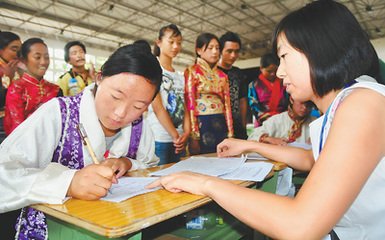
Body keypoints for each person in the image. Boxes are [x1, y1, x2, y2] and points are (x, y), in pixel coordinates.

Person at [148, 1, 385, 239]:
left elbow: (299, 226)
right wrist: (251, 145)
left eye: (284, 56)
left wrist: (206, 184)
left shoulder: (362, 103)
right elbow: (311, 158)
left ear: (318, 50)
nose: (280, 72)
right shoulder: (350, 101)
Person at [0, 43, 162, 239]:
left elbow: (150, 165)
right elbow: (5, 173)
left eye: (138, 106)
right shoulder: (58, 113)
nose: (121, 114)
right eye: (116, 96)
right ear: (99, 78)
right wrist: (67, 183)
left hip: (118, 227)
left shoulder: (140, 124)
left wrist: (128, 163)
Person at [148, 24, 190, 165]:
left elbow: (185, 108)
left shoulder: (179, 76)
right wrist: (175, 135)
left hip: (178, 139)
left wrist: (187, 133)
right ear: (159, 42)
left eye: (178, 43)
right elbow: (158, 108)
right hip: (161, 139)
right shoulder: (154, 70)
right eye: (171, 42)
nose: (175, 46)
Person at [185, 32, 233, 154]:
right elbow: (190, 104)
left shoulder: (223, 75)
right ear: (199, 50)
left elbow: (227, 105)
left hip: (220, 121)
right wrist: (194, 135)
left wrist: (230, 133)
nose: (215, 52)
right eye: (210, 48)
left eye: (217, 48)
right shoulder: (192, 71)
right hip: (202, 123)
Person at [3, 38, 61, 135]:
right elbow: (16, 128)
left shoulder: (56, 89)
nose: (43, 62)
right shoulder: (17, 88)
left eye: (46, 57)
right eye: (37, 57)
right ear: (24, 60)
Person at [218, 31, 248, 139]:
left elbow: (242, 100)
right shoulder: (212, 72)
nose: (233, 55)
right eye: (229, 51)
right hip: (217, 125)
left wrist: (243, 125)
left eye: (236, 51)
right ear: (220, 50)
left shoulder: (239, 74)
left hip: (236, 127)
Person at [248, 97, 314, 146]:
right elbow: (251, 137)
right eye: (301, 103)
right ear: (291, 99)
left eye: (309, 105)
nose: (304, 107)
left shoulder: (315, 122)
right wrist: (269, 139)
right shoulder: (277, 120)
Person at [248, 52, 287, 127]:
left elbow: (289, 102)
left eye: (275, 71)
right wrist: (268, 117)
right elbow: (254, 105)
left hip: (283, 120)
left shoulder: (284, 82)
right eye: (269, 71)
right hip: (263, 122)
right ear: (261, 68)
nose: (273, 74)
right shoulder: (253, 85)